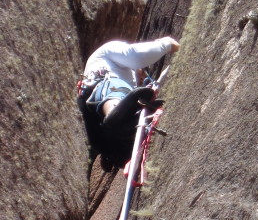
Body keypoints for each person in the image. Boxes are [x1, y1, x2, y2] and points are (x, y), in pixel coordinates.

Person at [77, 37, 180, 166]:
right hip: (105, 93)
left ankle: (120, 143)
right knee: (115, 87)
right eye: (142, 72)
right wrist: (167, 44)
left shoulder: (128, 85)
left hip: (97, 129)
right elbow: (136, 56)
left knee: (127, 97)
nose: (142, 75)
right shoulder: (105, 52)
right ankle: (114, 115)